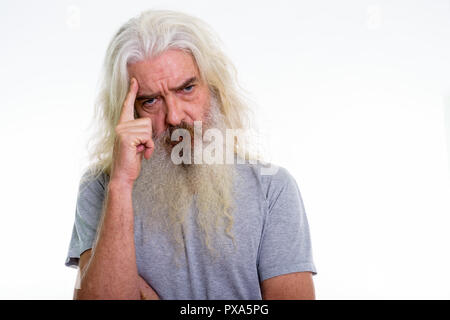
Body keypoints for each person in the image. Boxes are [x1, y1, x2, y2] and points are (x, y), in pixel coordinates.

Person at [65, 9, 317, 300]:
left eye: (186, 88)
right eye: (150, 101)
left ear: (214, 88)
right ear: (129, 110)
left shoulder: (272, 188)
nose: (174, 116)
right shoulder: (102, 186)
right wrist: (121, 184)